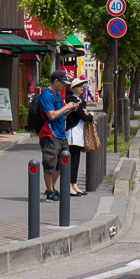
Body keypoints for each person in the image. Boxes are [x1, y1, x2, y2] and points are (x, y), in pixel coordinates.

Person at [38, 70, 79, 201]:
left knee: (62, 164)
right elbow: (51, 115)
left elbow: (60, 114)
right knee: (50, 165)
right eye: (63, 83)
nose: (64, 86)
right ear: (56, 81)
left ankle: (51, 188)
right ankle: (50, 191)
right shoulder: (46, 95)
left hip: (60, 134)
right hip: (50, 134)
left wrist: (70, 109)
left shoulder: (57, 95)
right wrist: (66, 107)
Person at [65, 77, 94, 196]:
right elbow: (85, 117)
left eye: (82, 86)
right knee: (73, 161)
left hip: (77, 133)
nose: (81, 88)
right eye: (79, 86)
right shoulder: (73, 101)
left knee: (76, 161)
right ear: (73, 89)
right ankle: (69, 186)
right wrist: (91, 115)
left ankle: (74, 184)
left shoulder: (78, 100)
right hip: (73, 133)